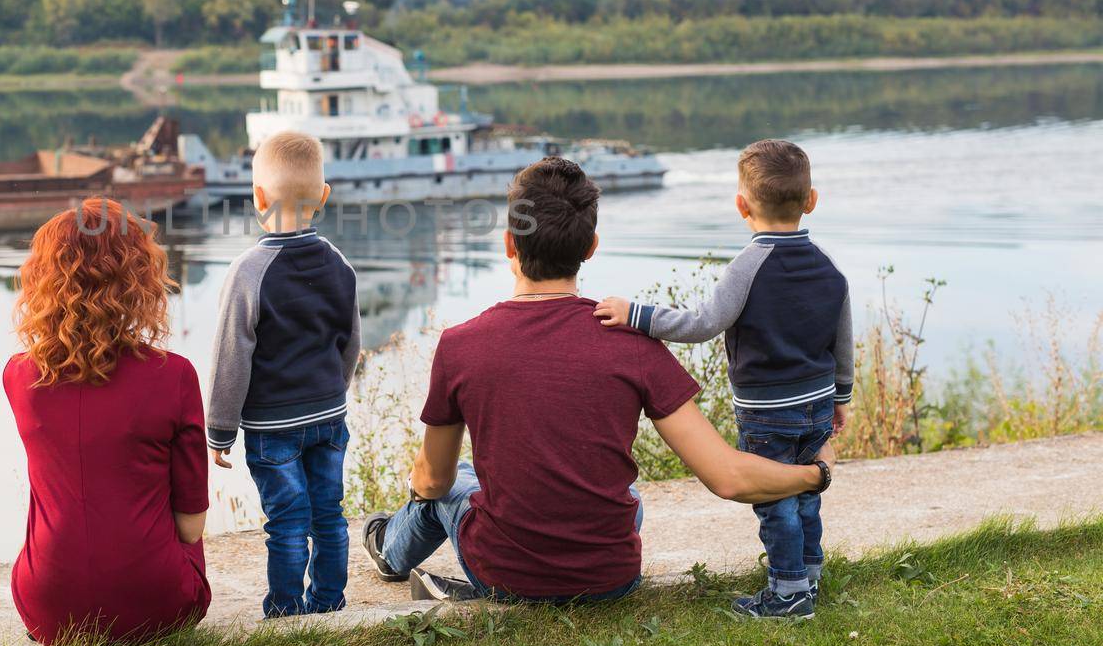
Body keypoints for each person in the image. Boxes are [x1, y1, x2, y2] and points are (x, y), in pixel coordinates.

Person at [361, 157, 835, 607]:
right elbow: (728, 478)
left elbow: (432, 479)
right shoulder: (632, 341)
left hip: (505, 573)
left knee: (455, 479)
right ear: (591, 247)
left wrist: (420, 481)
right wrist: (816, 474)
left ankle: (389, 551)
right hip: (611, 576)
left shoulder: (460, 344)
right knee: (624, 497)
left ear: (509, 244)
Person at [595, 139, 851, 618]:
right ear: (811, 199)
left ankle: (789, 593)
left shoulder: (748, 266)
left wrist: (637, 315)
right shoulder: (829, 267)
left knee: (775, 496)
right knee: (804, 490)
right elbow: (843, 338)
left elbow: (701, 324)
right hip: (817, 402)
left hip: (768, 410)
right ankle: (808, 573)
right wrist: (841, 397)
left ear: (741, 205)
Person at [3, 197, 211, 645]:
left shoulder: (18, 377)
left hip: (49, 611)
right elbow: (190, 527)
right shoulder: (174, 376)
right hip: (160, 606)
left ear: (43, 280)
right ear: (139, 280)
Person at [207, 131, 360, 617]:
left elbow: (231, 356)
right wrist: (335, 392)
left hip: (274, 427)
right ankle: (329, 602)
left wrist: (220, 430)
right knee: (329, 514)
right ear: (324, 197)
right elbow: (350, 343)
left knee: (287, 521)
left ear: (257, 198)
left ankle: (287, 610)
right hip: (329, 415)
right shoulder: (340, 265)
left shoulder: (248, 272)